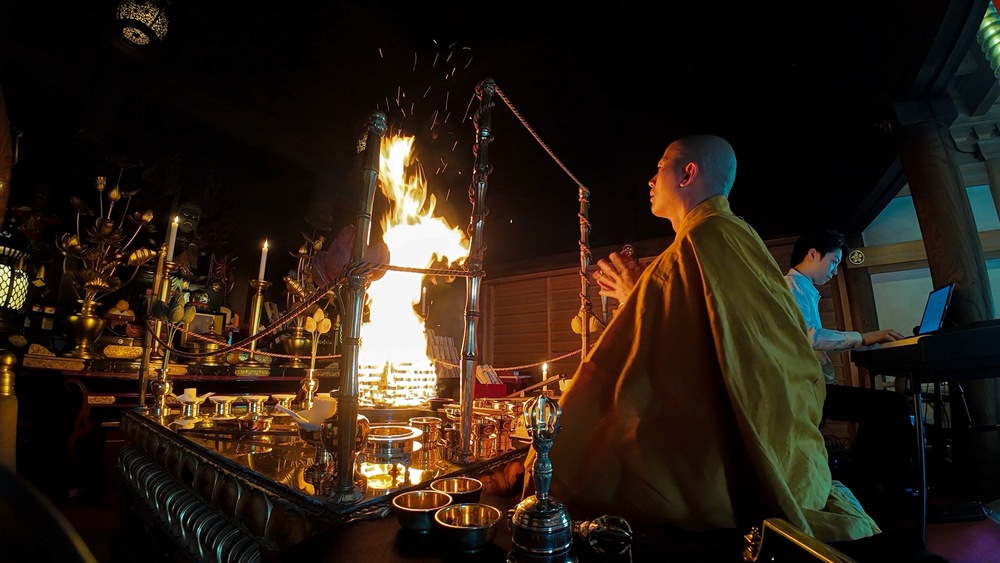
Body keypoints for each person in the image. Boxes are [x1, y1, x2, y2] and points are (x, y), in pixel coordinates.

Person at [523, 134, 881, 544]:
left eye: (660, 167)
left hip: (716, 462)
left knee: (578, 461)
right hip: (787, 443)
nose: (650, 180)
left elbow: (713, 349)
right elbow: (699, 335)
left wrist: (640, 296)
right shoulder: (730, 235)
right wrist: (638, 296)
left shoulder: (704, 240)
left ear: (688, 172)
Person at [785, 229, 918, 522]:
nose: (834, 270)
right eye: (833, 261)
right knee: (891, 406)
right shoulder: (793, 287)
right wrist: (865, 337)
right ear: (812, 254)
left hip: (813, 386)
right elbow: (811, 337)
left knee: (884, 407)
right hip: (807, 389)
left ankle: (870, 486)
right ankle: (888, 491)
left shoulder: (803, 288)